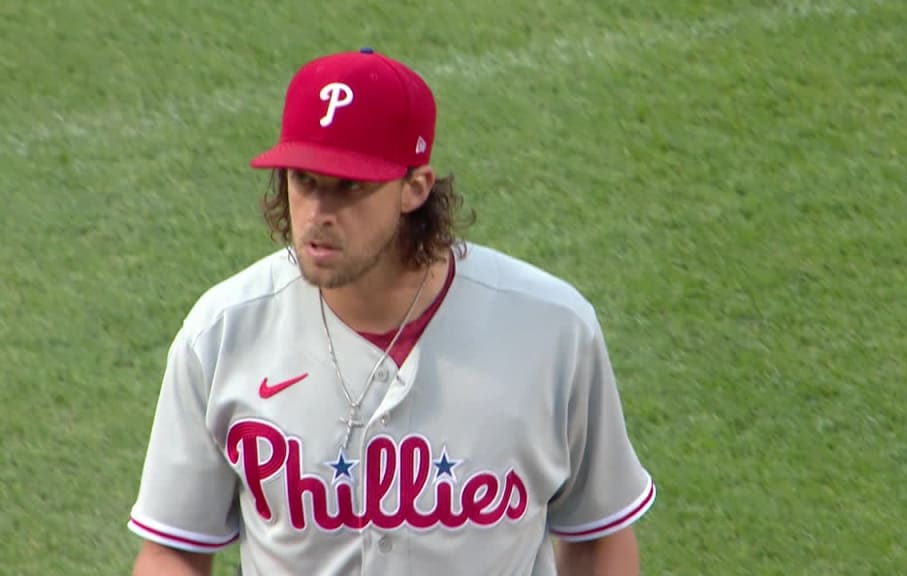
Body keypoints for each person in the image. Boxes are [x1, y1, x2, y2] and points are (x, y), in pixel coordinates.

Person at [127, 48, 656, 576]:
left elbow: (596, 533)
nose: (317, 215)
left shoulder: (551, 331)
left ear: (415, 189)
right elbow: (174, 547)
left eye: (350, 187)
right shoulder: (222, 333)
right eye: (304, 181)